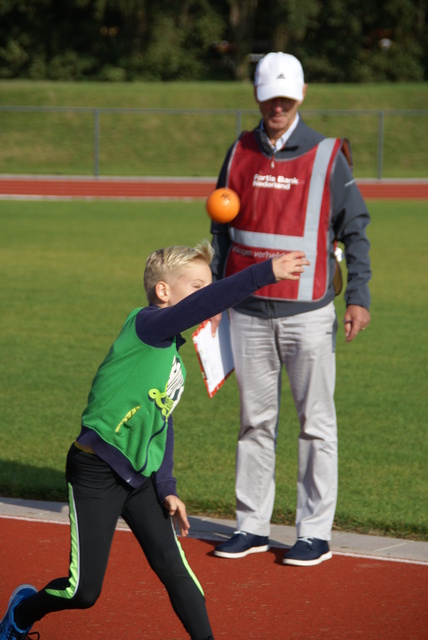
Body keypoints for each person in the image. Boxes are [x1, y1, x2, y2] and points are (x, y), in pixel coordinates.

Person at [0, 240, 309, 640]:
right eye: (196, 285)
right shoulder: (146, 326)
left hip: (140, 479)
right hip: (96, 471)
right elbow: (201, 306)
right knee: (82, 591)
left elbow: (161, 420)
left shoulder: (171, 356)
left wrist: (167, 486)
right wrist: (264, 273)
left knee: (174, 568)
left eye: (206, 285)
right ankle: (22, 612)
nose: (205, 295)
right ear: (164, 291)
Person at [210, 52, 371, 566]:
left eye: (286, 97)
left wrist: (359, 296)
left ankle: (313, 533)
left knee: (315, 424)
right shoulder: (238, 152)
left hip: (309, 314)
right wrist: (214, 298)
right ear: (258, 96)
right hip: (248, 312)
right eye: (269, 96)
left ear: (299, 96)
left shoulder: (327, 155)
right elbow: (221, 232)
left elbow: (356, 229)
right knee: (254, 423)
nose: (277, 105)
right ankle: (252, 526)